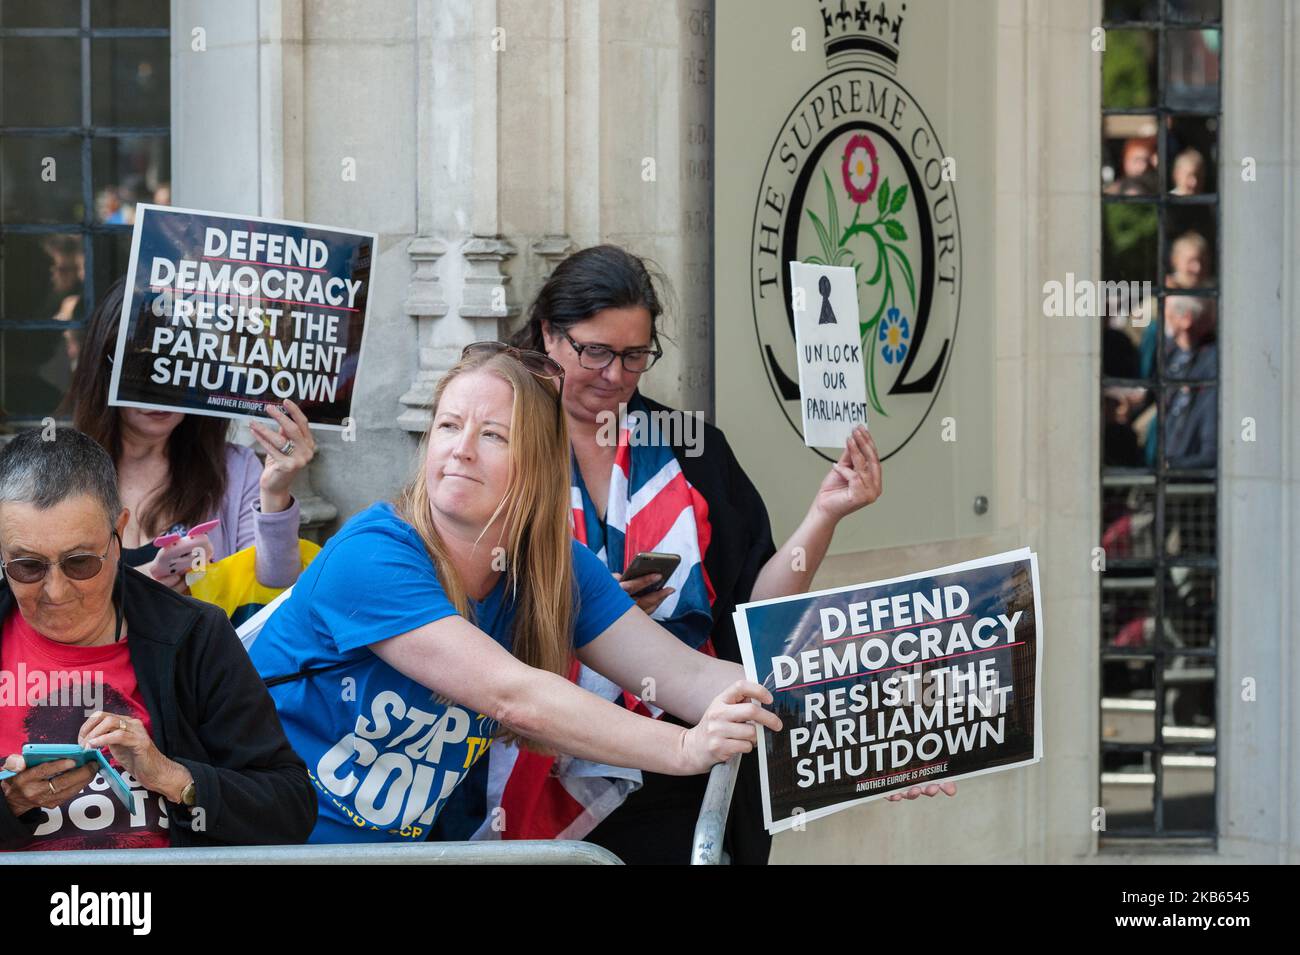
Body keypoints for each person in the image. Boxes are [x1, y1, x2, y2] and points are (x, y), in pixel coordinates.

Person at [495, 244, 953, 864]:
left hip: (689, 754)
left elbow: (754, 621)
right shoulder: (504, 453)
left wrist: (825, 515)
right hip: (543, 761)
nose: (614, 375)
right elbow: (470, 601)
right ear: (550, 335)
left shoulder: (693, 451)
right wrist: (588, 605)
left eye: (634, 356)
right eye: (595, 351)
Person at [247, 343, 787, 844]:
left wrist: (844, 705)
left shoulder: (554, 567)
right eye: (448, 426)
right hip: (254, 847)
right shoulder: (373, 556)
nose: (460, 450)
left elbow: (688, 677)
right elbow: (515, 696)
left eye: (493, 435)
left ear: (539, 461)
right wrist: (683, 747)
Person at [0, 428, 315, 850]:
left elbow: (290, 808)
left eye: (80, 563)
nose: (56, 591)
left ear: (119, 532)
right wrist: (10, 803)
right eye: (27, 566)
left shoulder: (193, 634)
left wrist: (172, 777)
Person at [65, 278, 312, 595]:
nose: (162, 390)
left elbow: (276, 592)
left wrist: (276, 496)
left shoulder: (237, 469)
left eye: (180, 365)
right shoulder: (60, 472)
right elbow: (39, 592)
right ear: (106, 370)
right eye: (144, 368)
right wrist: (144, 585)